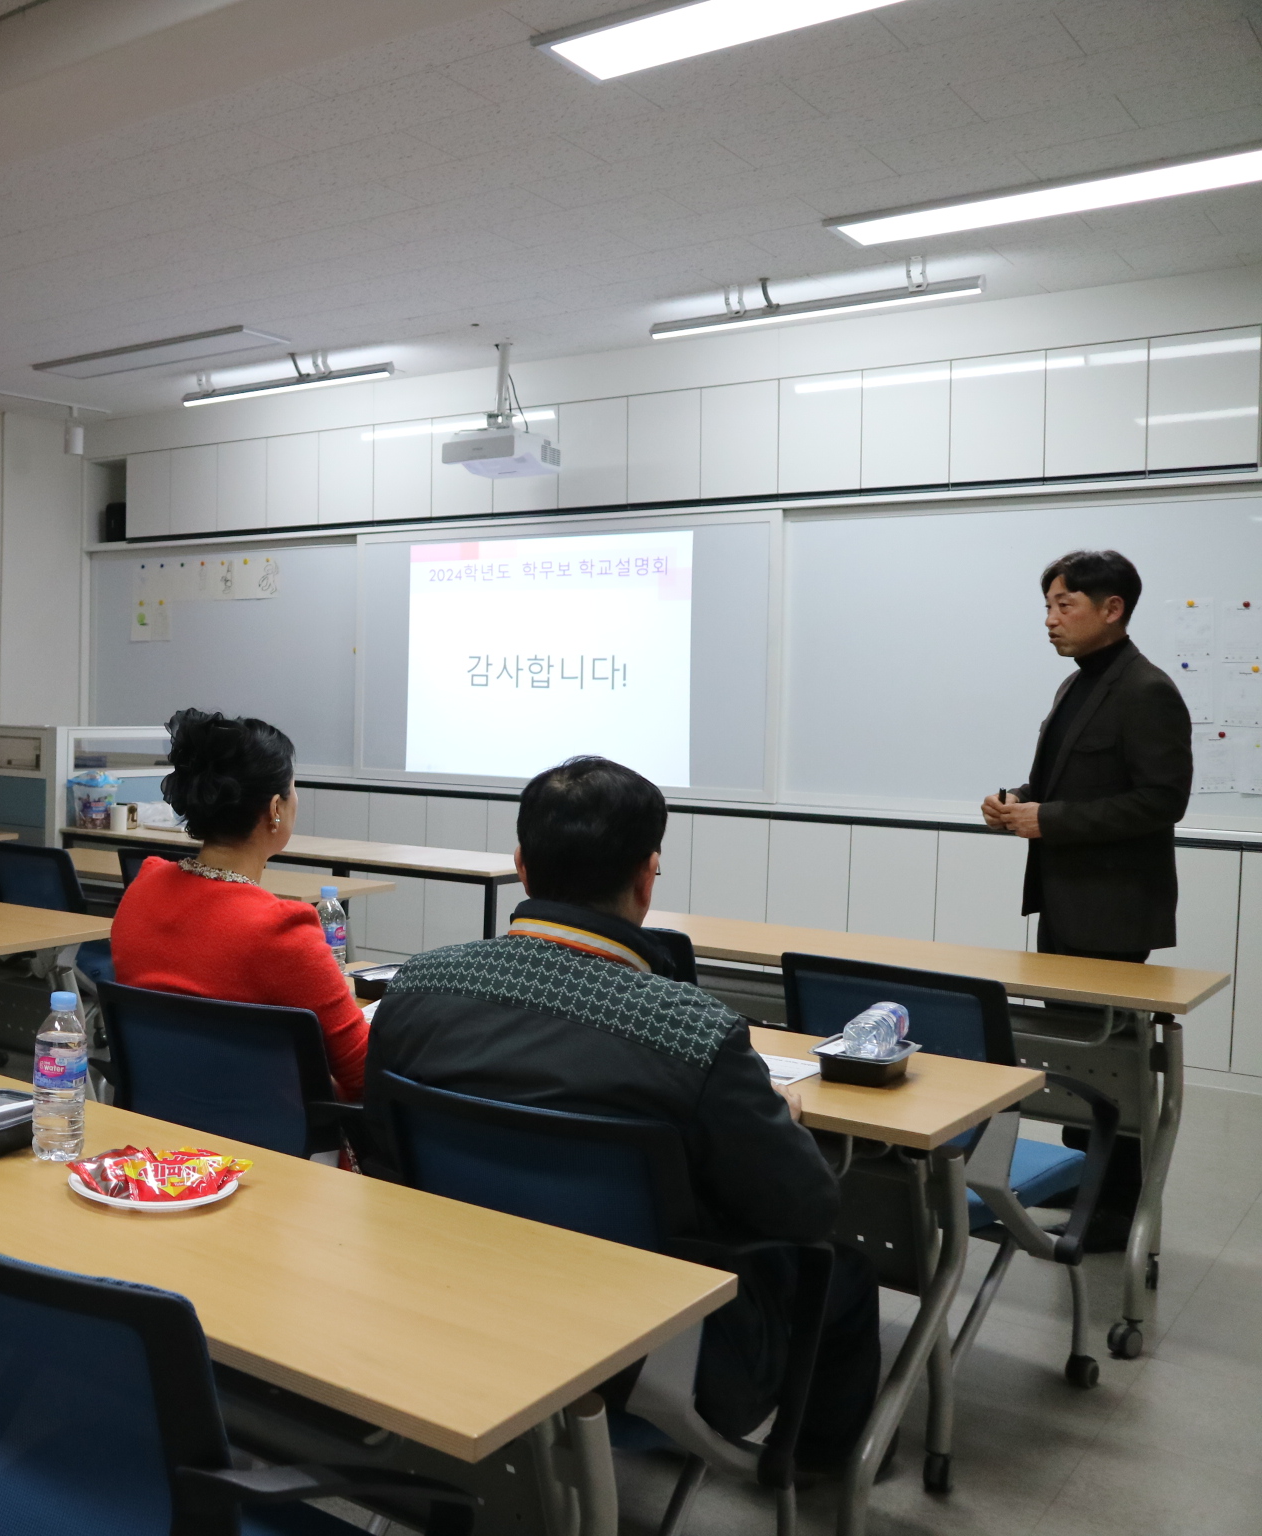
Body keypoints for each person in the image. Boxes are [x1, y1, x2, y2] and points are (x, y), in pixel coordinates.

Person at [366, 756, 876, 1473]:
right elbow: (804, 1211)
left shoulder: (417, 987)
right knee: (843, 1271)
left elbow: (383, 1163)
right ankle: (817, 1477)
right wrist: (779, 1122)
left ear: (520, 864)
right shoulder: (693, 1034)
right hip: (650, 1356)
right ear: (647, 877)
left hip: (455, 1310)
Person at [981, 549, 1191, 1248]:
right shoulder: (1077, 686)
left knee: (1115, 1071)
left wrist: (1054, 821)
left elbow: (1163, 801)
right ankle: (1087, 1188)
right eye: (1047, 606)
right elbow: (1070, 786)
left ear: (1113, 609)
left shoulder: (1145, 689)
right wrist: (1016, 803)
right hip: (1067, 904)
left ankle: (1117, 1212)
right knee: (1078, 1064)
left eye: (1064, 606)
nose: (1050, 621)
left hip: (1113, 912)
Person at [110, 709, 367, 1101]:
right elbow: (364, 1074)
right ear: (276, 809)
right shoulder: (280, 931)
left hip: (159, 1139)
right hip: (264, 1152)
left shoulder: (143, 889)